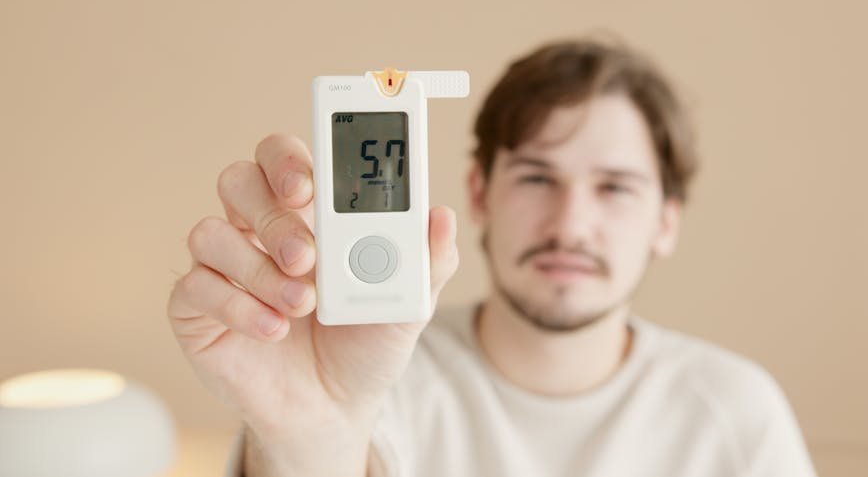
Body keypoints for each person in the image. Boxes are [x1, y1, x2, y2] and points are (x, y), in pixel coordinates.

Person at [167, 37, 818, 477]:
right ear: (479, 192)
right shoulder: (380, 380)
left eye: (615, 187)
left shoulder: (734, 414)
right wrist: (309, 431)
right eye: (537, 177)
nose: (571, 223)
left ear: (665, 222)